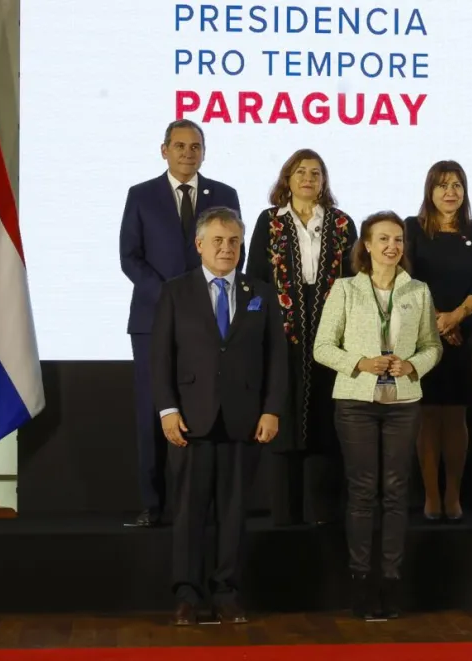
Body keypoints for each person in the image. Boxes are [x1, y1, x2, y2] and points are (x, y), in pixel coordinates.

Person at [151, 207, 287, 625]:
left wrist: (271, 409)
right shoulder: (176, 291)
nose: (226, 248)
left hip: (244, 421)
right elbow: (160, 359)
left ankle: (226, 593)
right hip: (191, 421)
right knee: (189, 513)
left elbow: (277, 358)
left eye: (233, 241)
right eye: (218, 241)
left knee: (233, 514)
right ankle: (188, 596)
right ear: (199, 245)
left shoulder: (260, 292)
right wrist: (168, 410)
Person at [313, 212, 442, 619]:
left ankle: (390, 581)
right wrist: (360, 363)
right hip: (356, 402)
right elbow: (322, 347)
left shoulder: (417, 290)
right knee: (364, 490)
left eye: (398, 239)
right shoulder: (346, 289)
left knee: (396, 490)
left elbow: (432, 346)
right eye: (383, 238)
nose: (392, 246)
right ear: (366, 245)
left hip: (403, 404)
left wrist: (413, 365)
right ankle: (361, 582)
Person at [119, 119, 243, 528]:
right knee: (154, 411)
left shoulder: (223, 194)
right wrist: (171, 297)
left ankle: (200, 506)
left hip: (210, 324)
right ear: (164, 150)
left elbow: (229, 256)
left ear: (204, 152)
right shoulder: (141, 195)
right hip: (152, 319)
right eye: (180, 146)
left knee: (205, 410)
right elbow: (130, 257)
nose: (188, 153)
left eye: (195, 146)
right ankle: (154, 505)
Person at [246, 149, 358, 526]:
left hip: (331, 331)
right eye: (300, 172)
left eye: (315, 172)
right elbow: (257, 279)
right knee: (285, 408)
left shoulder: (342, 224)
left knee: (325, 418)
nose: (308, 178)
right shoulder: (270, 222)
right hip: (283, 328)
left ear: (324, 181)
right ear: (287, 179)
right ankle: (284, 517)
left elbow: (355, 281)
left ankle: (322, 516)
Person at [405, 160, 472, 522]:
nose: (450, 192)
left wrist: (455, 317)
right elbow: (405, 281)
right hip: (421, 335)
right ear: (430, 190)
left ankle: (453, 496)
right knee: (427, 417)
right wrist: (435, 322)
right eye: (442, 185)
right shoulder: (412, 229)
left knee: (456, 416)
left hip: (465, 334)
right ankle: (430, 497)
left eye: (456, 185)